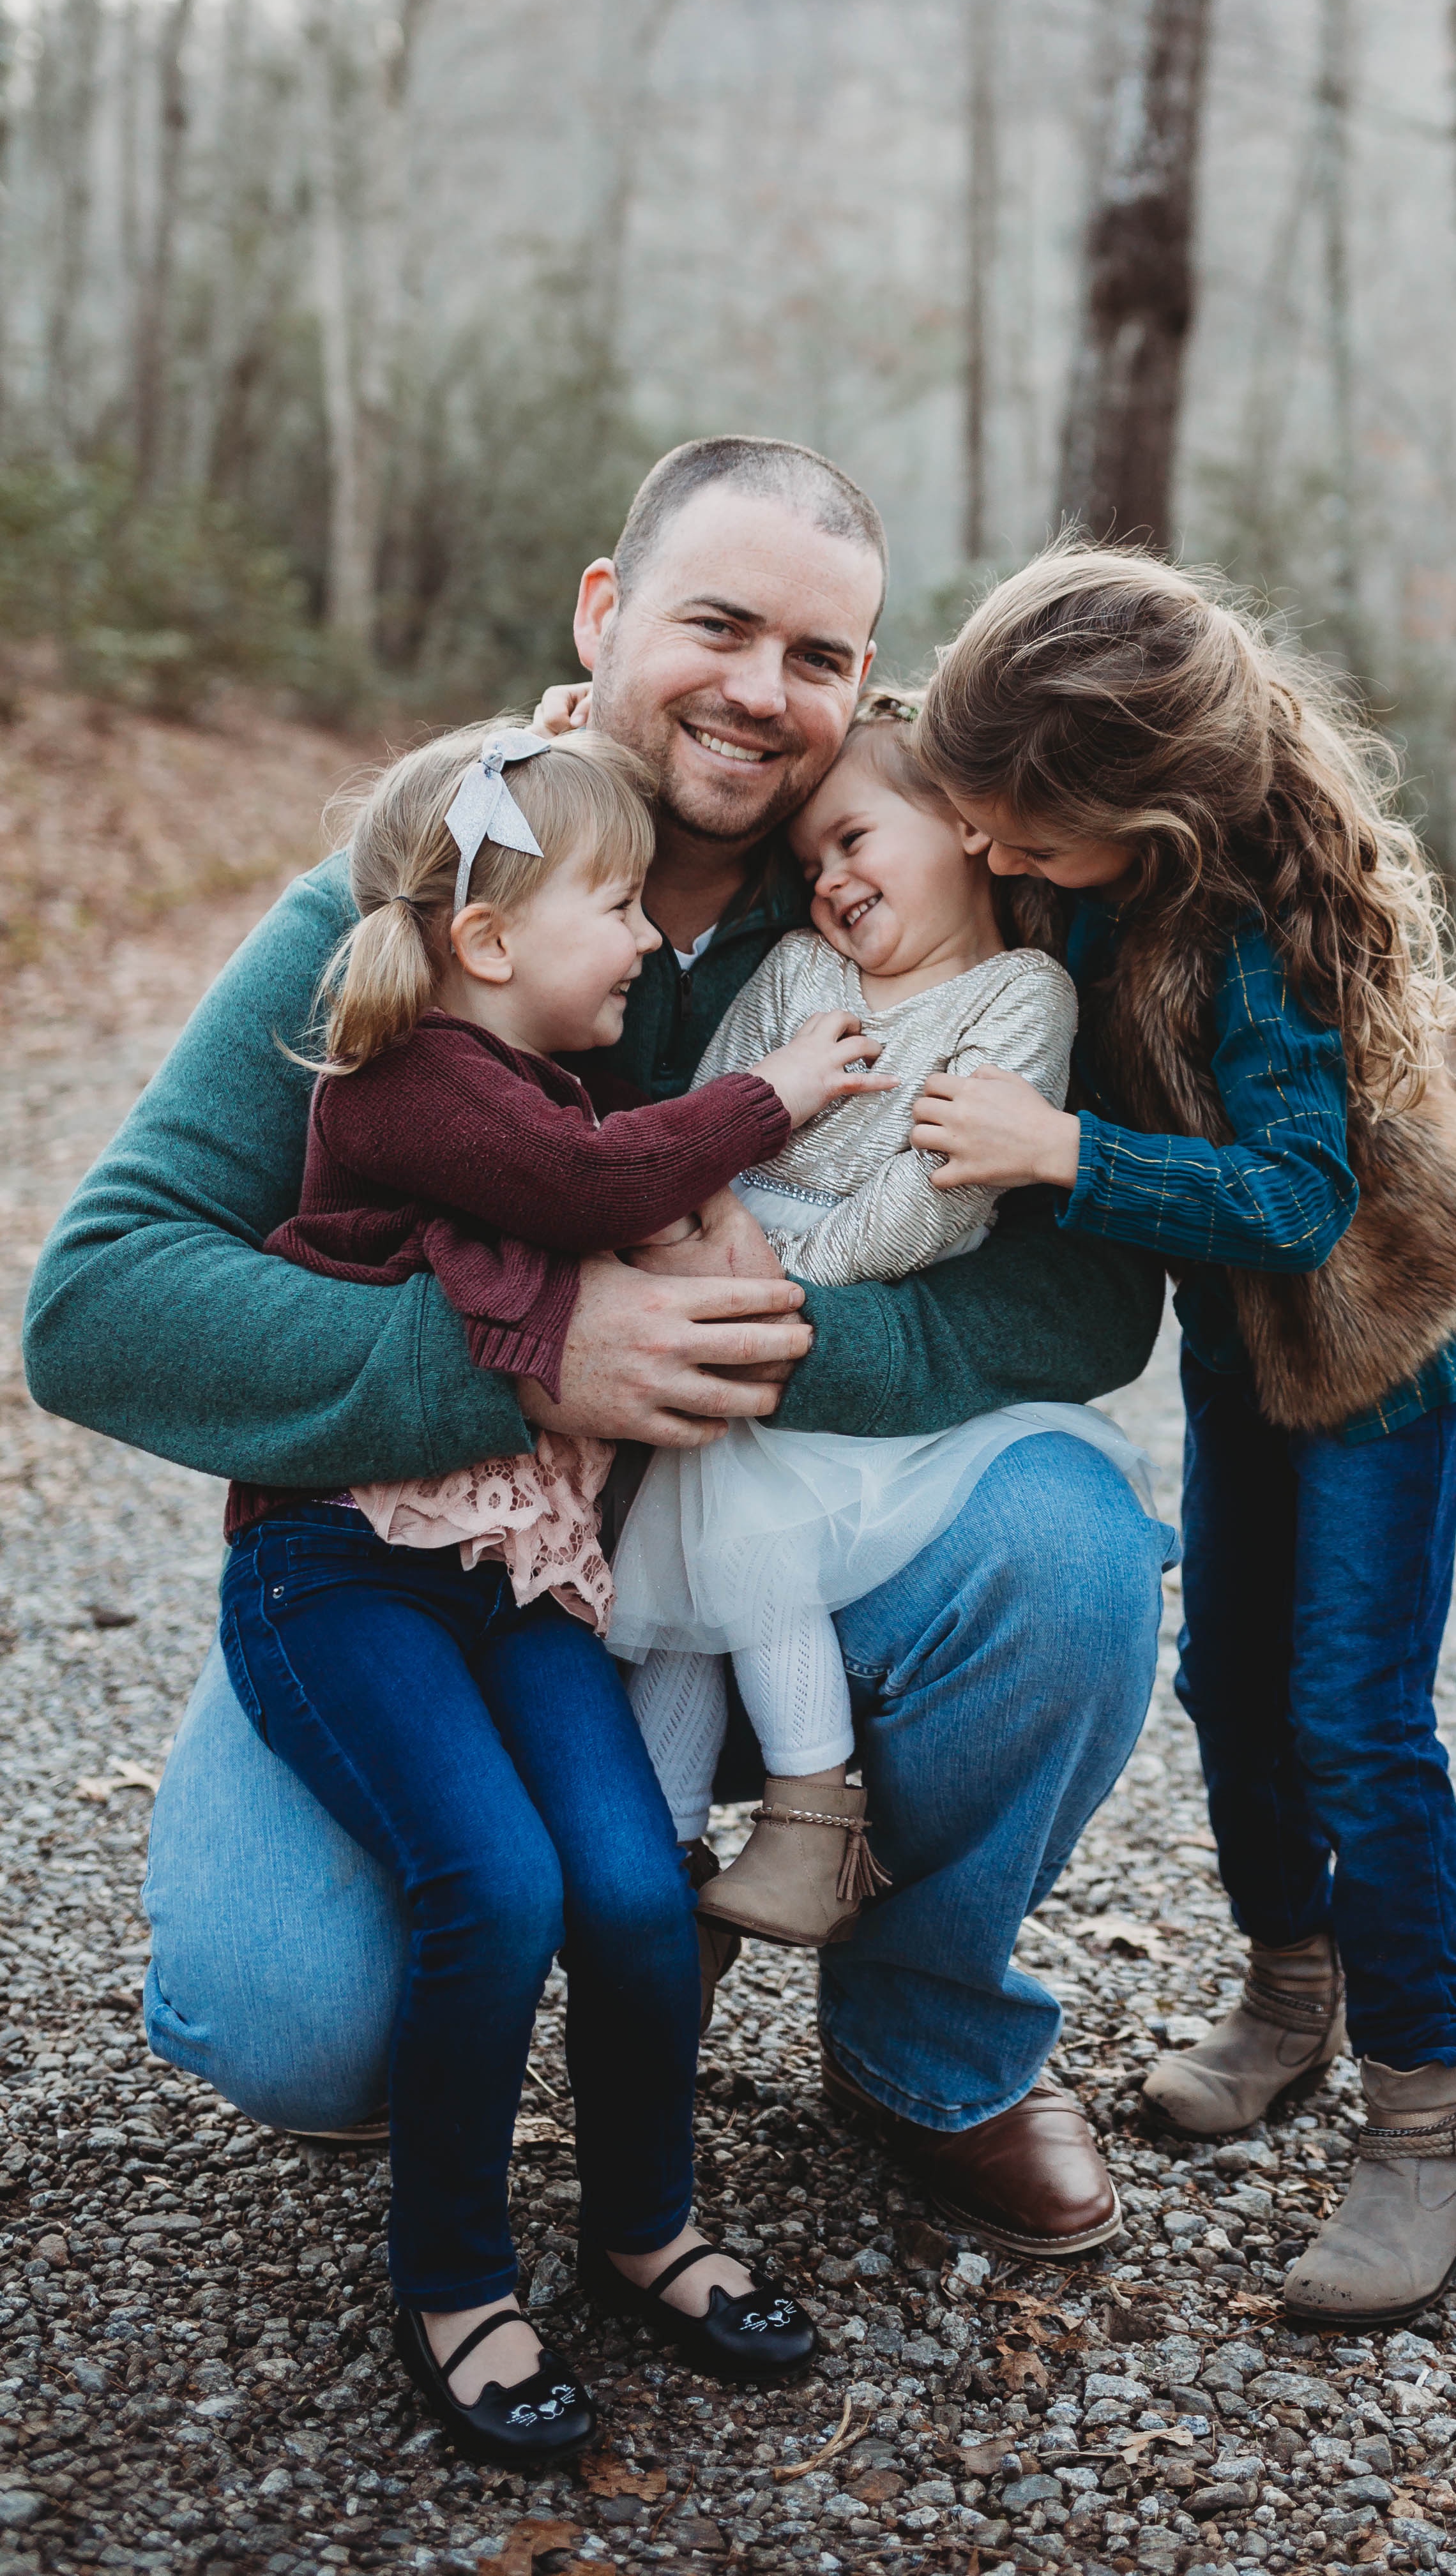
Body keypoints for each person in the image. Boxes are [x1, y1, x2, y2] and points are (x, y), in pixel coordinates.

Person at [23, 439, 1172, 2263]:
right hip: (453, 1566)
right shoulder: (431, 886)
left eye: (818, 659)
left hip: (781, 1528)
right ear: (601, 612)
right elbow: (98, 1301)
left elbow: (1092, 1298)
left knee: (1075, 1558)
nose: (759, 693)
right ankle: (535, 1900)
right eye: (715, 625)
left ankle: (924, 2037)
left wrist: (766, 1343)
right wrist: (527, 1352)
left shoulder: (901, 889)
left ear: (868, 692)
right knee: (293, 2031)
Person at [214, 716, 906, 2458]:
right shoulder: (411, 1085)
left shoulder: (542, 1090)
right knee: (494, 1883)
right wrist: (781, 1094)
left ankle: (642, 2222)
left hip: (519, 1577)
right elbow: (599, 1185)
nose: (639, 938)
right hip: (347, 1568)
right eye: (610, 903)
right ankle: (453, 2277)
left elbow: (623, 1192)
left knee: (623, 1877)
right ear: (493, 940)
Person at [907, 541, 1456, 2326]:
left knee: (1350, 1719)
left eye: (1025, 836)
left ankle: (1430, 2129)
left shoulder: (1247, 942)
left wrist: (1064, 1154)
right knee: (1225, 1681)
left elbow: (1292, 1200)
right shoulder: (1075, 860)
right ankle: (1288, 1993)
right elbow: (910, 796)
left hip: (1370, 1341)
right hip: (1244, 1354)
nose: (995, 859)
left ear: (1143, 810)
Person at [615, 694, 1157, 1948]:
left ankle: (809, 1818)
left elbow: (938, 1211)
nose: (831, 882)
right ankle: (659, 1884)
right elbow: (718, 1108)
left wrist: (775, 1285)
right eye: (810, 866)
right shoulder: (807, 974)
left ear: (968, 826)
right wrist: (693, 1229)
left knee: (743, 1548)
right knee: (684, 1596)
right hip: (716, 1250)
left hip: (811, 1306)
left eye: (854, 840)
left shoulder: (1021, 998)